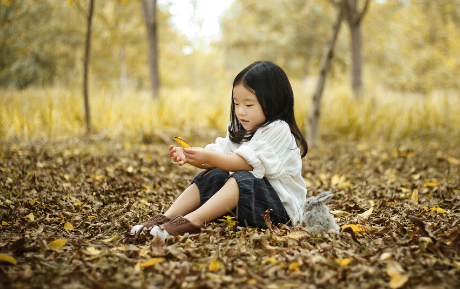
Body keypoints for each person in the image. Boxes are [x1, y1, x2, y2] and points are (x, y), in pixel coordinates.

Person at [131, 61, 309, 239]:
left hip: (278, 211)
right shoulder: (239, 129)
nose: (240, 111)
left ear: (273, 102)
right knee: (216, 172)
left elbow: (245, 163)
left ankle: (191, 222)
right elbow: (218, 157)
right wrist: (193, 156)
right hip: (246, 206)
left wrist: (207, 157)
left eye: (249, 105)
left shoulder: (278, 129)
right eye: (236, 103)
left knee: (244, 177)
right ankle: (166, 218)